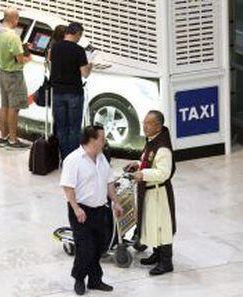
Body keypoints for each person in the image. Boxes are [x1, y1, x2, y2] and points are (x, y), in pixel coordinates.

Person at [60, 126, 123, 295]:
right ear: (92, 140)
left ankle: (95, 280)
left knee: (99, 246)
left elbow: (109, 183)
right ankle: (79, 279)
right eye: (102, 138)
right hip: (81, 211)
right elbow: (68, 187)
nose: (105, 141)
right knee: (85, 248)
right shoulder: (73, 160)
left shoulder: (102, 158)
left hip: (100, 210)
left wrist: (116, 202)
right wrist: (76, 208)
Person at [124, 110, 176, 276]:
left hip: (159, 193)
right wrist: (138, 164)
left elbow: (163, 173)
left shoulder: (163, 148)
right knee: (152, 224)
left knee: (162, 226)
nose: (144, 126)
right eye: (144, 122)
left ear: (158, 126)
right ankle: (157, 253)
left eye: (148, 123)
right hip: (150, 192)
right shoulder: (152, 141)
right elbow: (149, 161)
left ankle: (166, 262)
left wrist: (142, 174)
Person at [50, 22, 93, 161]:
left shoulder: (54, 47)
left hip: (57, 93)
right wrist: (90, 64)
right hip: (74, 92)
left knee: (62, 128)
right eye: (80, 35)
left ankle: (65, 159)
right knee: (74, 128)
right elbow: (85, 73)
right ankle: (74, 161)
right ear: (77, 34)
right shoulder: (79, 50)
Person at [0, 7, 31, 149]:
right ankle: (13, 141)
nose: (18, 21)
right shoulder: (13, 36)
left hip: (2, 72)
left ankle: (4, 137)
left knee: (4, 106)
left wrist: (22, 47)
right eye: (18, 18)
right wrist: (29, 58)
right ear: (13, 19)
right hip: (14, 76)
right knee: (14, 108)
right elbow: (20, 60)